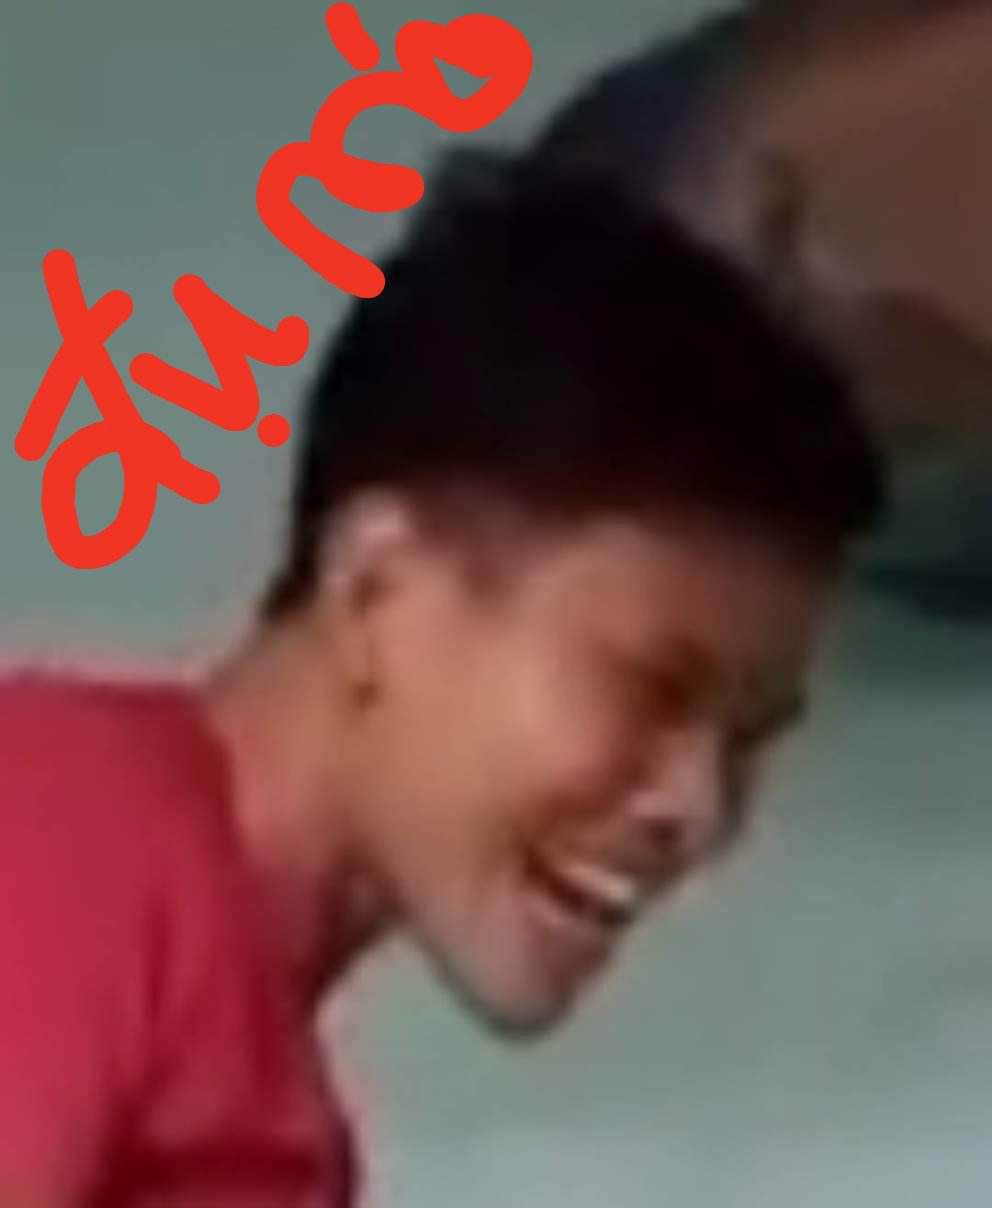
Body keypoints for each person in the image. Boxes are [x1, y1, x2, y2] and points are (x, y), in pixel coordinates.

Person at [0, 154, 881, 1205]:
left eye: (746, 742)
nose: (700, 811)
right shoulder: (55, 816)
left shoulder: (285, 1135)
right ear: (378, 586)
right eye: (654, 688)